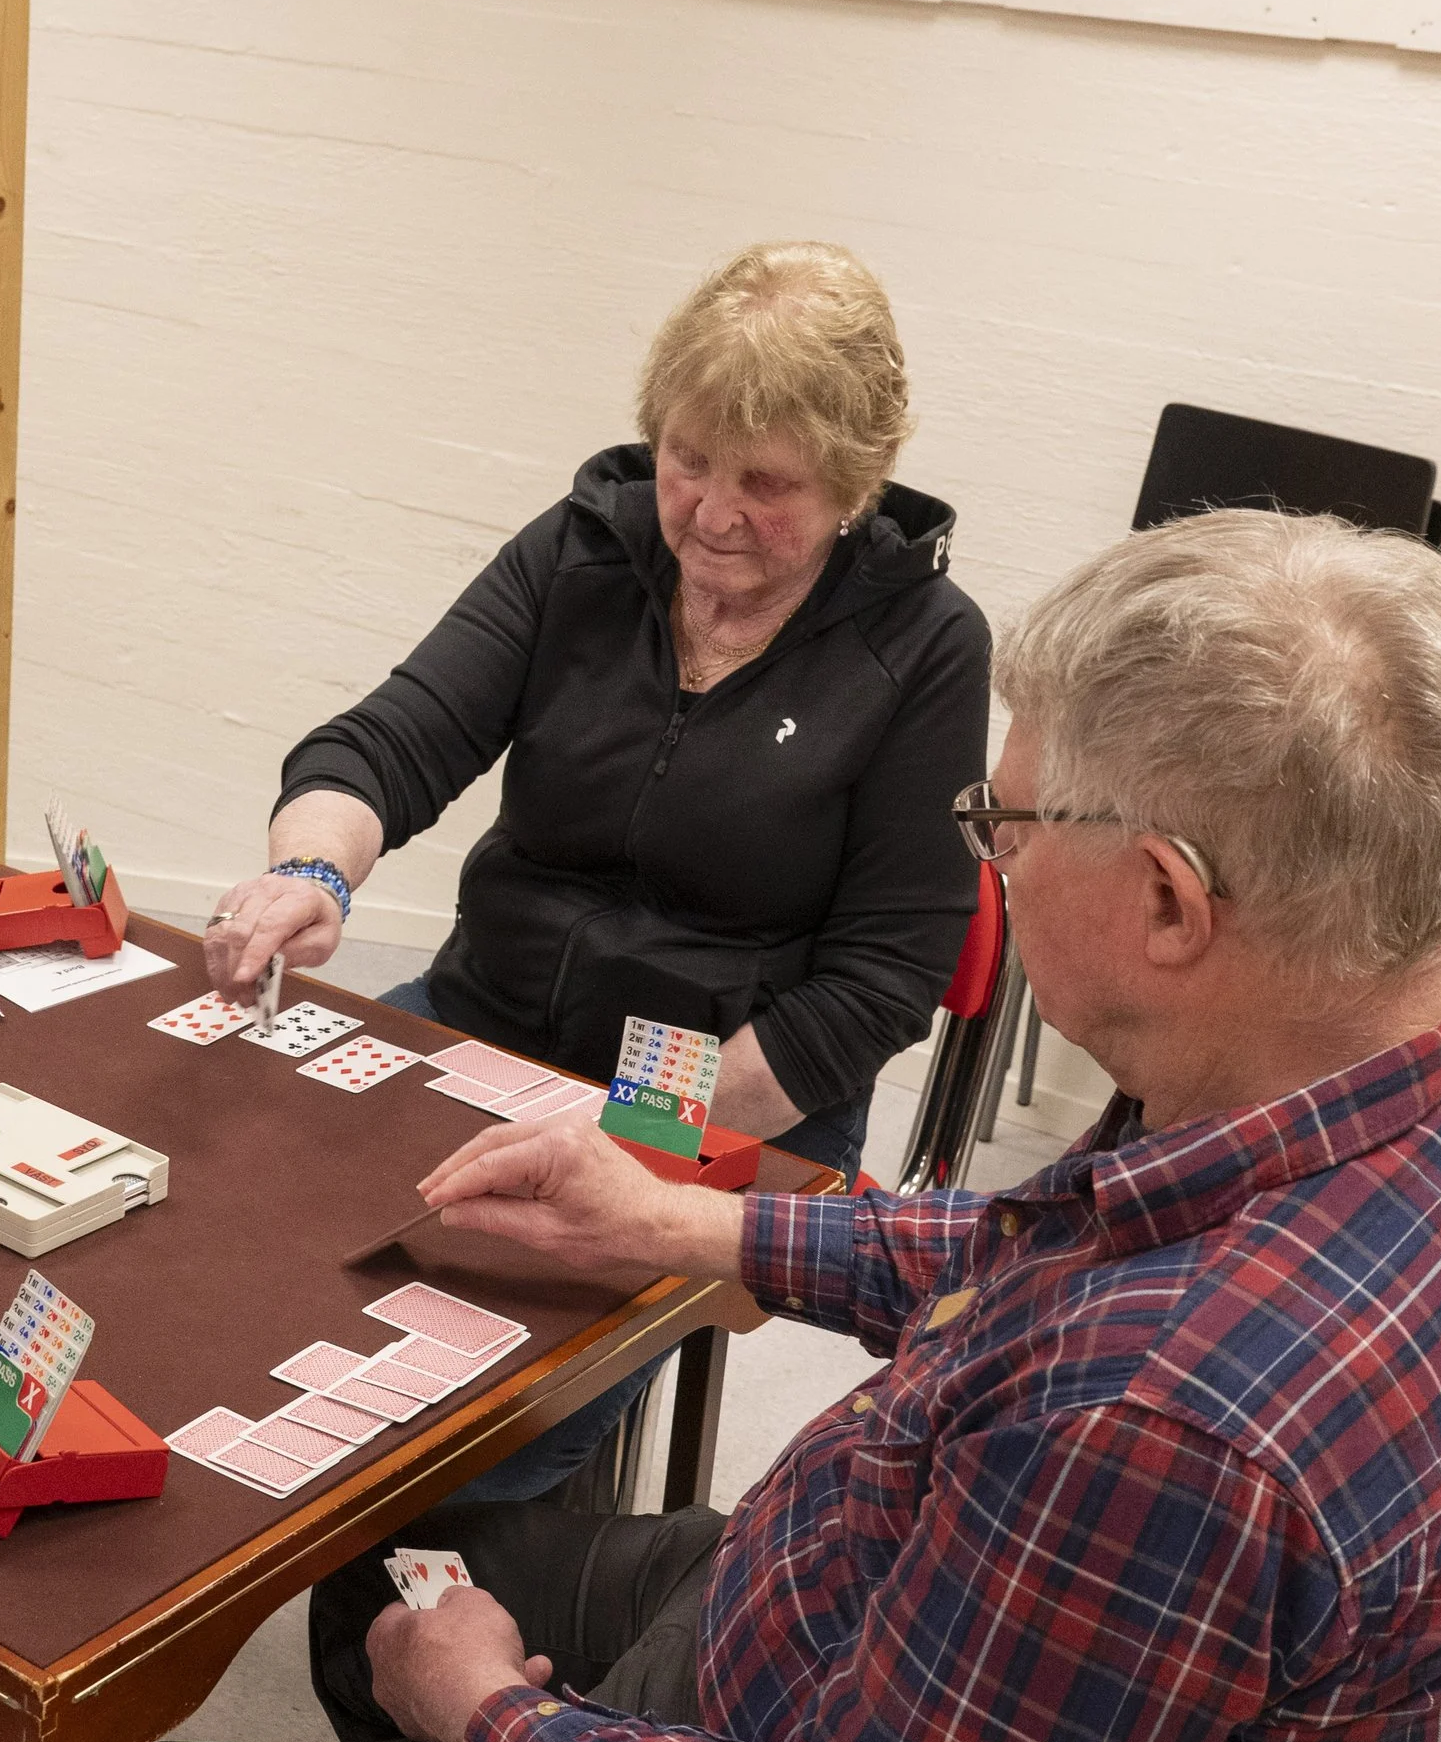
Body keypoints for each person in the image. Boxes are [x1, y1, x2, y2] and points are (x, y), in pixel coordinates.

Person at [0, 508, 1441, 1742]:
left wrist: (495, 1717)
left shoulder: (1167, 1426)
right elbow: (1037, 1245)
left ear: (1168, 897)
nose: (978, 854)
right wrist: (693, 1227)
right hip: (885, 1667)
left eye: (1006, 824)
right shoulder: (1328, 1098)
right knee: (362, 1583)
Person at [206, 240, 988, 1497]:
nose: (713, 513)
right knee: (235, 1250)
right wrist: (315, 871)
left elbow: (881, 983)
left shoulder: (927, 646)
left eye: (766, 482)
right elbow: (390, 739)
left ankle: (466, 1638)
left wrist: (624, 1132)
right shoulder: (583, 550)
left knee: (468, 1431)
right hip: (489, 1025)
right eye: (687, 460)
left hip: (729, 1098)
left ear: (856, 482)